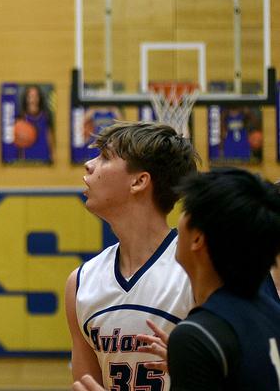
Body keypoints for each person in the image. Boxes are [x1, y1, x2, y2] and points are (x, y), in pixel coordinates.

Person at [74, 167, 280, 391]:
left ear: (197, 239)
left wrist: (194, 353)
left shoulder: (197, 335)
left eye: (186, 211)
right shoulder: (271, 315)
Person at [65, 121, 199, 389]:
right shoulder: (80, 283)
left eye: (105, 157)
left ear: (139, 181)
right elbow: (87, 384)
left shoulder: (198, 271)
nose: (89, 165)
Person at [17, 84, 53, 161]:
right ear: (26, 99)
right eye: (30, 96)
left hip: (45, 161)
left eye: (36, 96)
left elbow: (50, 142)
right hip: (27, 162)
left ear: (40, 98)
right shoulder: (21, 118)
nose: (33, 100)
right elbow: (17, 145)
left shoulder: (46, 116)